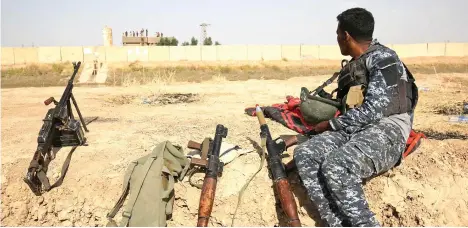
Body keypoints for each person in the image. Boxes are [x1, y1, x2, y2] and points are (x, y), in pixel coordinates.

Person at [293, 7, 418, 227]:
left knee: (337, 164)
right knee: (305, 153)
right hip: (357, 127)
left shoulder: (384, 59)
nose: (337, 40)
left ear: (346, 35)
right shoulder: (356, 64)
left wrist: (330, 124)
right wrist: (311, 134)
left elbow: (374, 110)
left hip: (388, 128)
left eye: (338, 34)